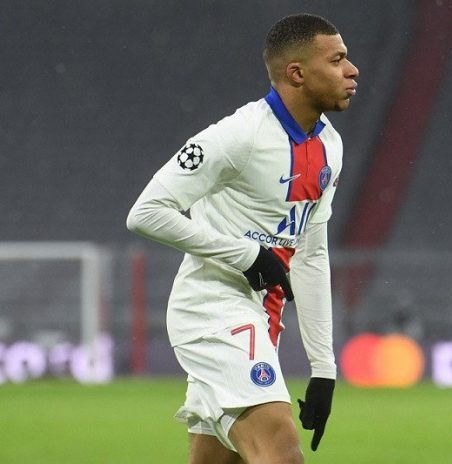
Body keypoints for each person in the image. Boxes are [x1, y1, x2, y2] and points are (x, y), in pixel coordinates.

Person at [126, 13, 359, 464]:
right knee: (281, 454)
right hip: (212, 310)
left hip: (260, 316)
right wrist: (247, 254)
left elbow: (310, 254)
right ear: (297, 73)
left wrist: (324, 368)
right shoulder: (240, 135)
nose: (352, 70)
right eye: (338, 60)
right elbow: (146, 213)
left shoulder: (330, 145)